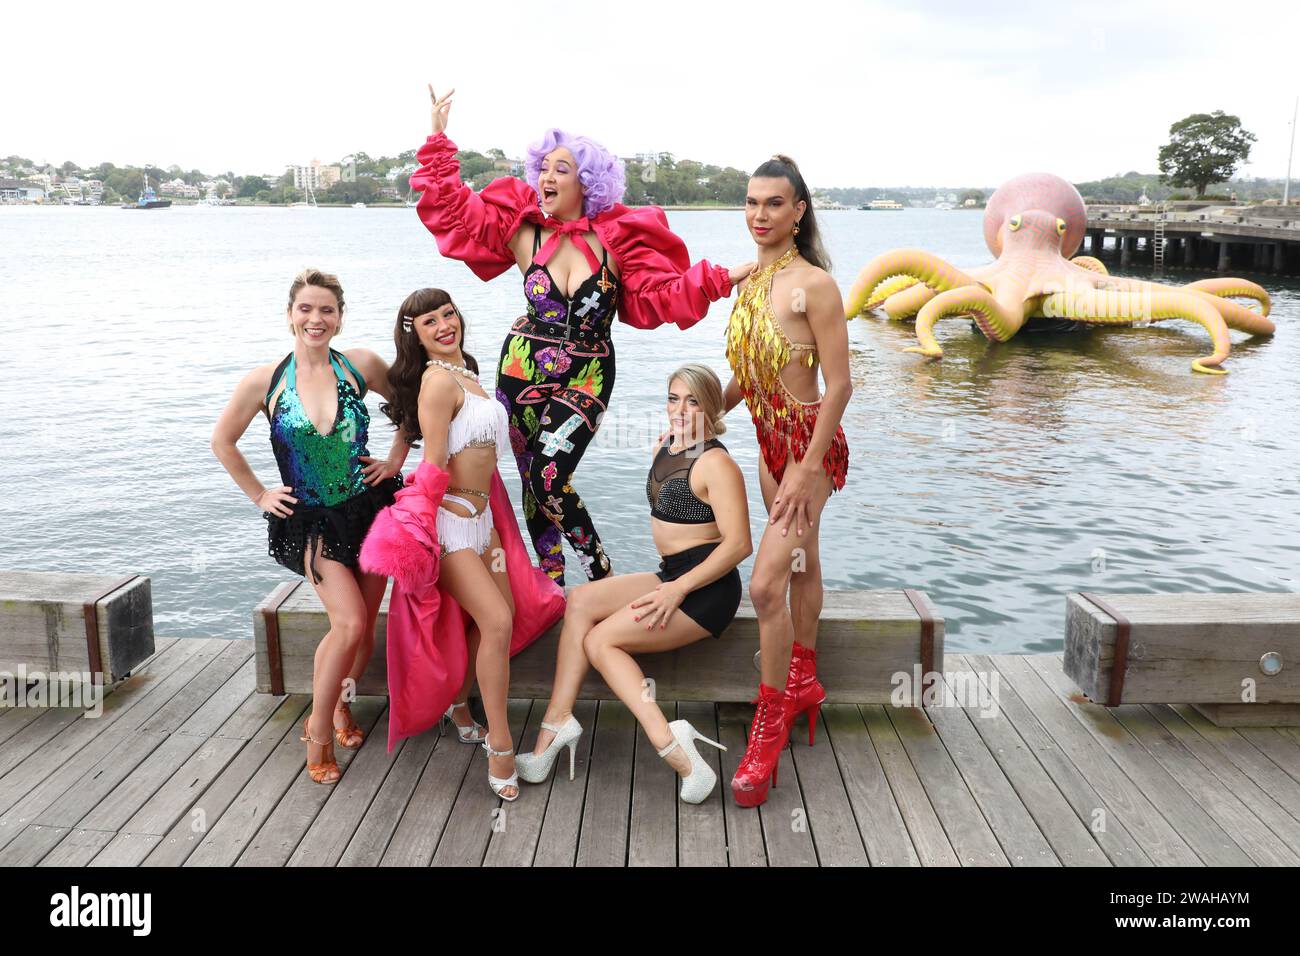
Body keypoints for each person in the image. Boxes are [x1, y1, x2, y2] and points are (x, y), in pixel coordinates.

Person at [409, 85, 754, 586]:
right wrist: (439, 140)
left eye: (561, 169)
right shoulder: (522, 231)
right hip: (522, 365)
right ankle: (550, 578)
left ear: (586, 182)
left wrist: (723, 278)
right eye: (543, 168)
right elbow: (455, 208)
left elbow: (664, 291)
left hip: (588, 370)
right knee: (530, 476)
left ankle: (598, 569)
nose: (547, 177)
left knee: (550, 475)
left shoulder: (617, 240)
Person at [360, 288, 565, 800]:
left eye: (448, 314)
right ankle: (500, 744)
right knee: (496, 621)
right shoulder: (435, 382)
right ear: (416, 334)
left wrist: (493, 526)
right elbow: (432, 462)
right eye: (429, 321)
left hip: (482, 523)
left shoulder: (468, 372)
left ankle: (458, 702)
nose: (444, 325)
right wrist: (414, 526)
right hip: (451, 525)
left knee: (502, 616)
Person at [515, 364, 751, 804]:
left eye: (693, 401)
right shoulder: (671, 445)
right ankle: (558, 720)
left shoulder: (718, 464)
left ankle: (674, 749)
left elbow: (739, 545)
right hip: (672, 572)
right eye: (673, 398)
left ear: (712, 406)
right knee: (581, 600)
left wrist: (679, 590)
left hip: (706, 589)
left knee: (601, 642)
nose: (680, 409)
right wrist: (672, 582)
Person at [212, 268, 407, 784]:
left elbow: (409, 406)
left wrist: (393, 458)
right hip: (311, 523)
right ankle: (318, 729)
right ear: (290, 314)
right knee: (348, 624)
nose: (316, 318)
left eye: (326, 310)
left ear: (339, 318)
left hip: (370, 509)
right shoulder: (264, 381)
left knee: (362, 632)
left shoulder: (360, 365)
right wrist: (259, 493)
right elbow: (222, 442)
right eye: (306, 308)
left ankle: (343, 704)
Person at [723, 156, 852, 808]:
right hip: (768, 447)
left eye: (774, 203)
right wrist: (698, 412)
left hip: (809, 452)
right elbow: (747, 374)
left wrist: (806, 469)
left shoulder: (816, 287)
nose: (759, 214)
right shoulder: (750, 283)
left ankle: (768, 725)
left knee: (766, 583)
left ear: (799, 210)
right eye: (751, 202)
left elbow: (840, 385)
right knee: (802, 564)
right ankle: (804, 676)